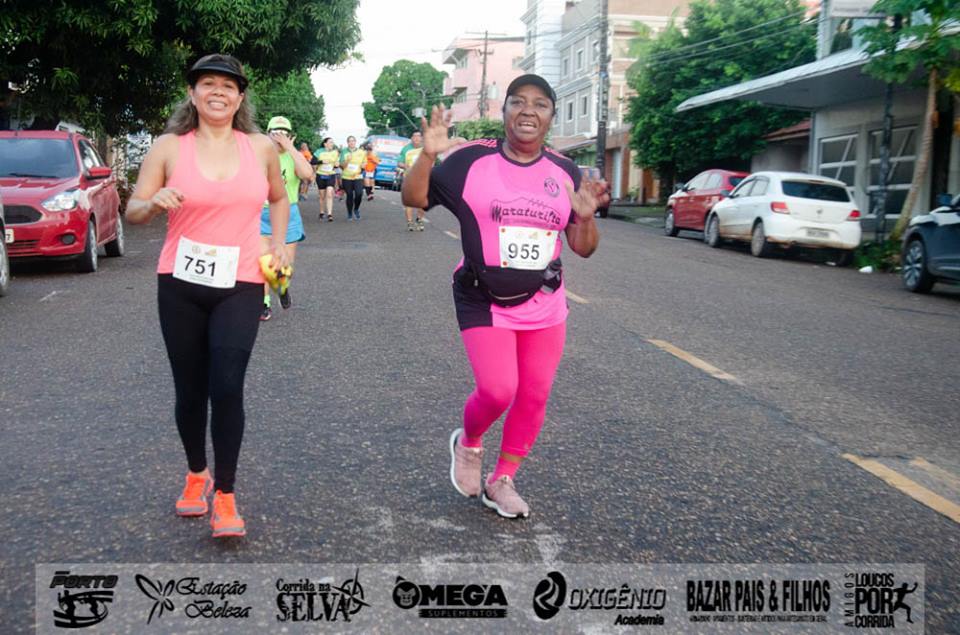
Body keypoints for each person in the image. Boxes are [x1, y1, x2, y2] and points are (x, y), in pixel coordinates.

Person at [402, 74, 608, 519]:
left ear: (551, 117)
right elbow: (414, 197)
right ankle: (469, 443)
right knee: (498, 390)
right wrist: (428, 155)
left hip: (545, 301)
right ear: (505, 110)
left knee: (534, 394)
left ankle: (502, 480)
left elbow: (583, 247)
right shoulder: (470, 161)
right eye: (519, 102)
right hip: (482, 296)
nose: (528, 111)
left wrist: (587, 218)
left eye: (540, 104)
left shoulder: (565, 171)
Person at [125, 54, 291, 538]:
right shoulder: (168, 148)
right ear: (192, 94)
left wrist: (280, 242)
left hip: (241, 282)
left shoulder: (259, 147)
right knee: (191, 389)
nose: (218, 92)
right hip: (180, 283)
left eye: (228, 85)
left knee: (228, 385)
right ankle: (197, 473)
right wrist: (152, 203)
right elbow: (133, 208)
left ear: (240, 98)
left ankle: (226, 494)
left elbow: (279, 196)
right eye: (208, 84)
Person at [259, 116, 313, 321]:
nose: (279, 137)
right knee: (263, 261)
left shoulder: (293, 156)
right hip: (261, 213)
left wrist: (290, 148)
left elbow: (307, 174)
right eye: (276, 133)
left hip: (288, 214)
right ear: (267, 134)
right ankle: (264, 303)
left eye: (284, 133)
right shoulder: (259, 155)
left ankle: (281, 286)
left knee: (283, 264)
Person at [398, 131, 427, 231]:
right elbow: (399, 163)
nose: (417, 138)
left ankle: (419, 219)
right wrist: (406, 166)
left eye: (419, 136)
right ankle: (410, 222)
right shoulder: (406, 149)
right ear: (411, 138)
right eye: (414, 136)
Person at [339, 135, 367, 220]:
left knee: (359, 193)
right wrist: (347, 160)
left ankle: (356, 209)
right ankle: (349, 213)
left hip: (358, 176)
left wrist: (363, 165)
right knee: (349, 195)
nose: (351, 142)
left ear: (355, 142)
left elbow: (365, 163)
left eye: (353, 141)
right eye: (350, 141)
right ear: (347, 143)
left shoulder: (361, 152)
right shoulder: (344, 152)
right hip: (347, 177)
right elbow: (342, 165)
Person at [314, 137, 338, 221]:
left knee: (329, 193)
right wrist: (321, 161)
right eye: (330, 142)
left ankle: (329, 214)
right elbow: (312, 162)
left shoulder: (335, 152)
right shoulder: (319, 151)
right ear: (325, 144)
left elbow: (336, 164)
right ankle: (321, 212)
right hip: (320, 175)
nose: (332, 144)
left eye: (332, 142)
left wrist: (337, 165)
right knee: (322, 196)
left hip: (330, 175)